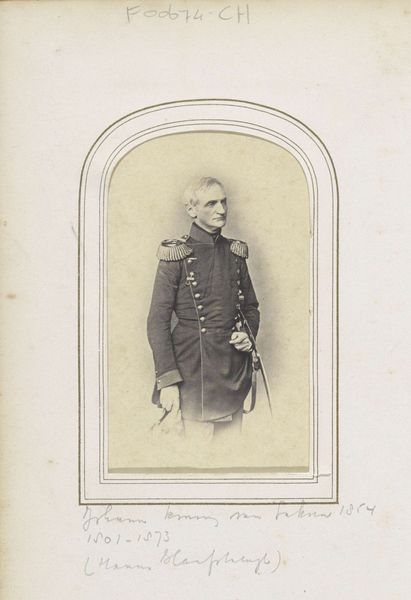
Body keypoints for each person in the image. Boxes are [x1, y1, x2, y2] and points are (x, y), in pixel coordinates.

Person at [147, 177, 260, 443]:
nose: (221, 209)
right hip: (192, 375)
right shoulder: (176, 255)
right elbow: (157, 323)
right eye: (211, 204)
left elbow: (251, 307)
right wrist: (168, 381)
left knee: (230, 454)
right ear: (191, 209)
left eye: (223, 202)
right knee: (195, 456)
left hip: (232, 373)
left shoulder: (234, 253)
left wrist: (247, 335)